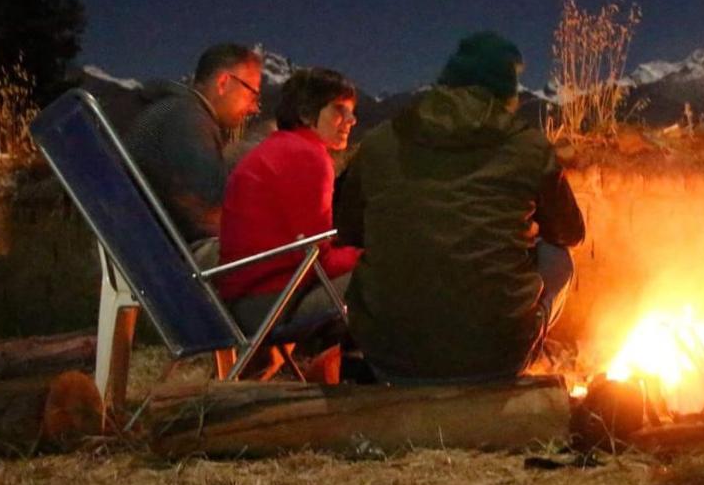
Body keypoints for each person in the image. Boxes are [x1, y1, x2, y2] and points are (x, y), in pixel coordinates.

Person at [334, 31, 585, 382]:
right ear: (506, 92)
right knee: (559, 257)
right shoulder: (528, 147)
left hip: (389, 355)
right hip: (496, 358)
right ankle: (520, 349)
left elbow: (348, 229)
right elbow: (570, 233)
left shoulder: (380, 142)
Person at [217, 67, 363, 336]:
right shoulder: (308, 157)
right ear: (307, 113)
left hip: (242, 298)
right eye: (339, 110)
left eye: (352, 111)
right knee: (391, 274)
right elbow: (319, 259)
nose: (351, 120)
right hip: (269, 307)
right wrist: (369, 255)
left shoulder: (278, 148)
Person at [124, 44, 262, 244]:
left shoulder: (175, 110)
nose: (254, 108)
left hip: (150, 242)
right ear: (223, 83)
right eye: (252, 95)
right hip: (168, 254)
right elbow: (207, 213)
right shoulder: (187, 119)